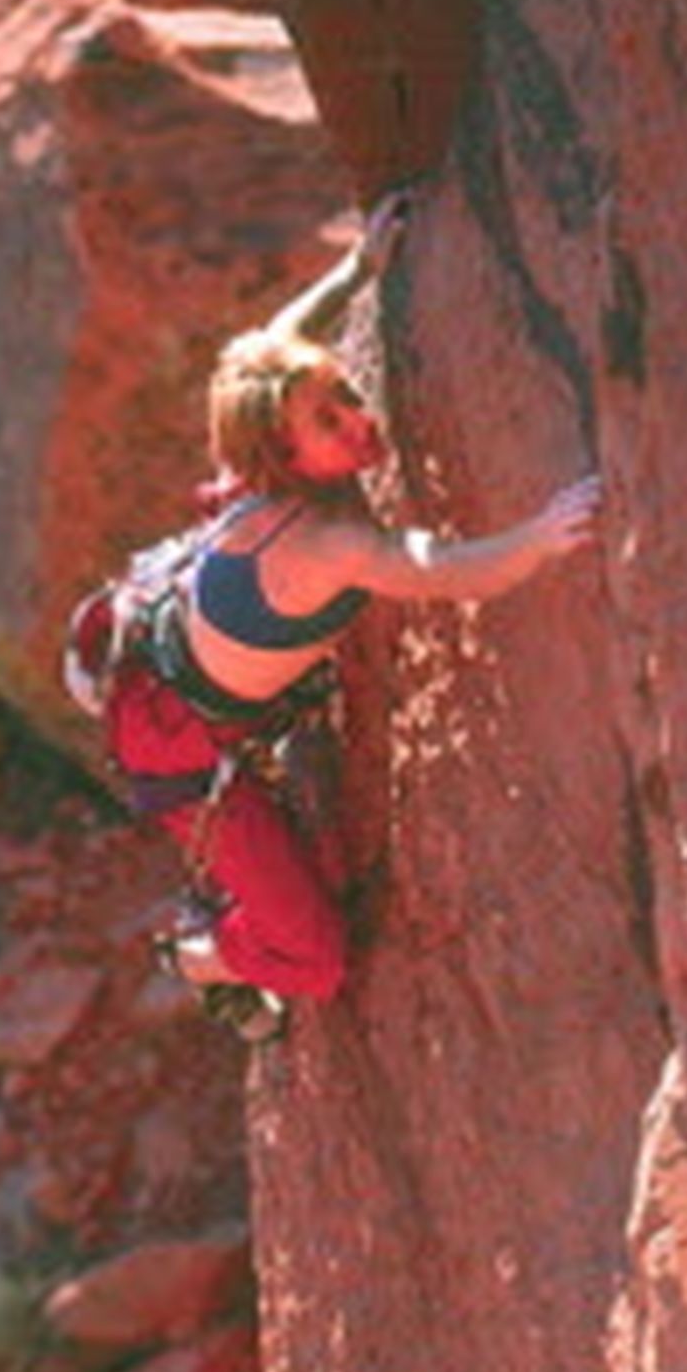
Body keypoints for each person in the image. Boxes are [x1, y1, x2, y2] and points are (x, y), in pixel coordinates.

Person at [87, 194, 601, 1040]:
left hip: (160, 641)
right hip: (175, 744)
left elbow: (277, 339)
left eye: (344, 395)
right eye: (329, 423)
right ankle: (198, 955)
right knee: (317, 958)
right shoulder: (324, 545)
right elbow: (447, 572)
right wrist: (541, 535)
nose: (359, 421)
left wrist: (356, 270)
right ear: (284, 458)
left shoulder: (259, 456)